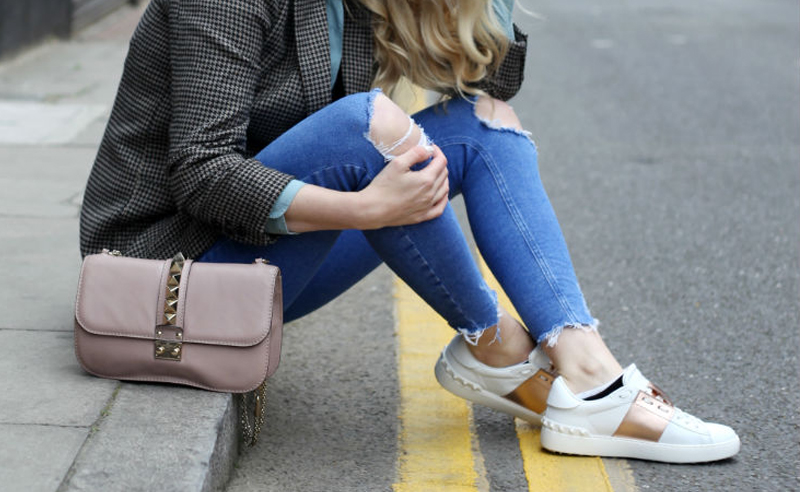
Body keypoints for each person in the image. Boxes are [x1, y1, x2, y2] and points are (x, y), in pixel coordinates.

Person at [79, 0, 740, 463]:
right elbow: (200, 170)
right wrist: (365, 210)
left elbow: (493, 79)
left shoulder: (356, 7)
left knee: (484, 125)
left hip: (260, 266)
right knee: (366, 122)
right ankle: (498, 348)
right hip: (170, 274)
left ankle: (588, 370)